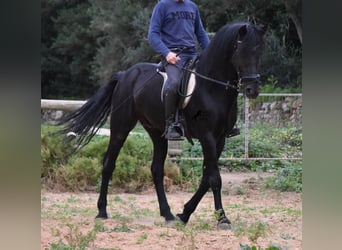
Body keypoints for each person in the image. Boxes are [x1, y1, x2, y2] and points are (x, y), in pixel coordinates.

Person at [148, 0, 210, 140]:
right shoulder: (162, 6)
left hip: (193, 54)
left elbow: (200, 33)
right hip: (173, 56)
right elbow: (153, 35)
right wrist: (167, 53)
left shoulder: (192, 6)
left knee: (214, 78)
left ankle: (222, 121)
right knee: (174, 84)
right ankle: (171, 125)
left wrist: (212, 53)